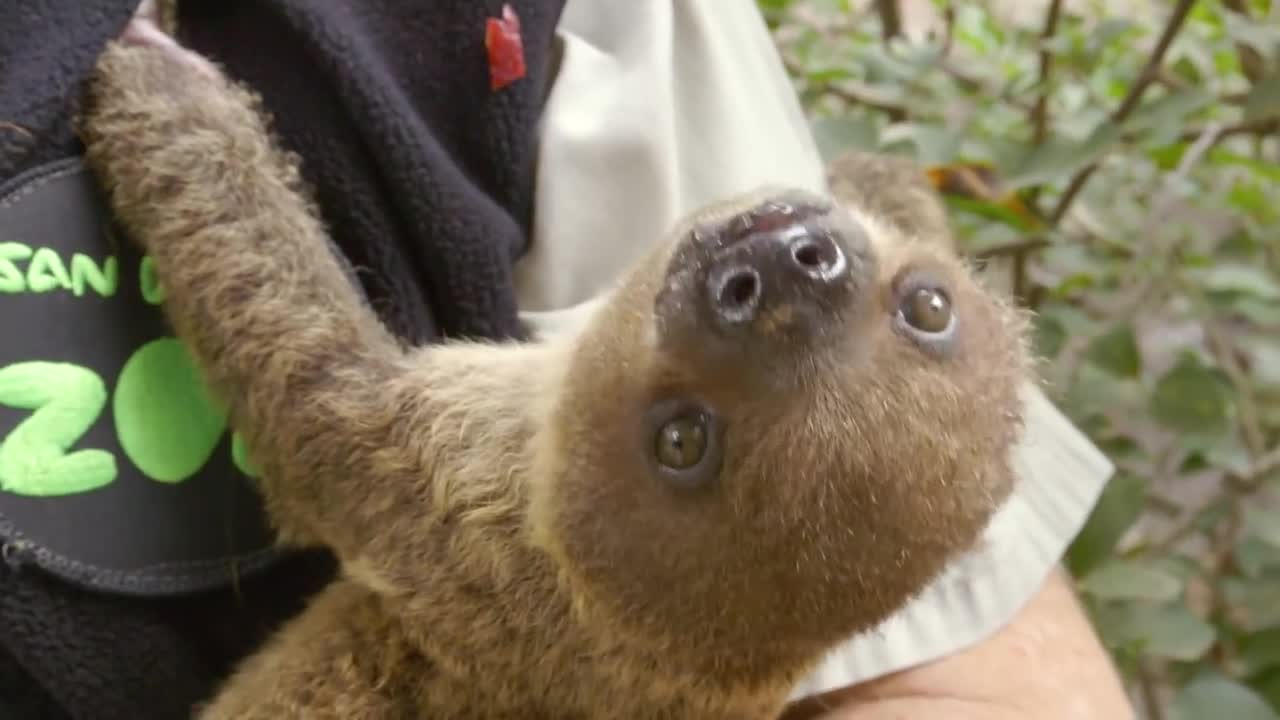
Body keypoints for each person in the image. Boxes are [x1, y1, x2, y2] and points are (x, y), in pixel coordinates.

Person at [0, 1, 1132, 717]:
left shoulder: (518, 538)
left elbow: (316, 402)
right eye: (922, 313)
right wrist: (879, 218)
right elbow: (877, 231)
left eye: (683, 439)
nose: (789, 272)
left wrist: (160, 94)